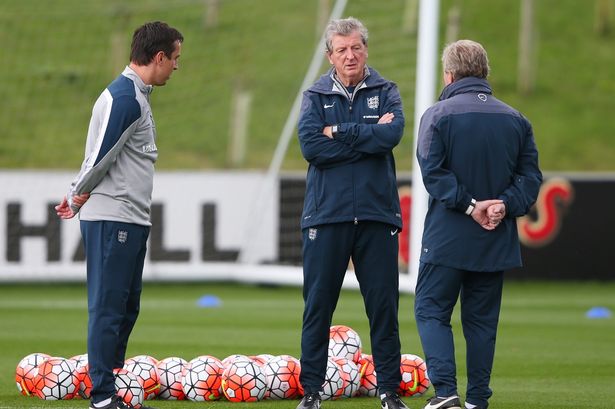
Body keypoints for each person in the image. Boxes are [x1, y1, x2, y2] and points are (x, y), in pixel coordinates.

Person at [55, 21, 183, 409]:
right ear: (158, 57)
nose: (176, 67)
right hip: (113, 219)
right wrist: (77, 197)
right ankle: (102, 395)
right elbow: (100, 156)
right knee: (109, 306)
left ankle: (108, 380)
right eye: (175, 59)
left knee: (127, 305)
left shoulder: (136, 95)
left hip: (131, 219)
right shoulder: (125, 97)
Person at [414, 39, 542, 409]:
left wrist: (471, 206)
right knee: (482, 323)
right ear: (485, 72)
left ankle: (446, 394)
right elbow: (530, 178)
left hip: (448, 238)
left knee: (431, 310)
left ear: (449, 74)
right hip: (495, 238)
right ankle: (477, 401)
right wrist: (504, 204)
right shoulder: (517, 119)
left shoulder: (437, 115)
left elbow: (433, 174)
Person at [296, 17, 408, 409]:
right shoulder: (314, 96)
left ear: (366, 49)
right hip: (326, 216)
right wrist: (367, 134)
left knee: (383, 309)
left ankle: (389, 391)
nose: (350, 55)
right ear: (330, 55)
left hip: (377, 216)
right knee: (318, 308)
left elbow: (392, 136)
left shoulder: (387, 89)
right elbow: (312, 148)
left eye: (356, 47)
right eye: (342, 49)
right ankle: (310, 392)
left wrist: (339, 131)